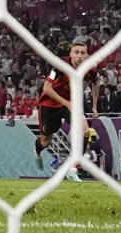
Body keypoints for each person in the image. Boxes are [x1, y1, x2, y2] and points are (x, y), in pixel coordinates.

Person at [34, 37, 97, 169]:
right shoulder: (59, 66)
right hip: (49, 105)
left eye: (82, 53)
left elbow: (96, 82)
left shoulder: (89, 69)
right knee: (45, 142)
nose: (79, 56)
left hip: (70, 105)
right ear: (71, 54)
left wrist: (94, 106)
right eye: (76, 52)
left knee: (85, 131)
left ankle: (74, 168)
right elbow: (46, 88)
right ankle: (37, 152)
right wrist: (66, 103)